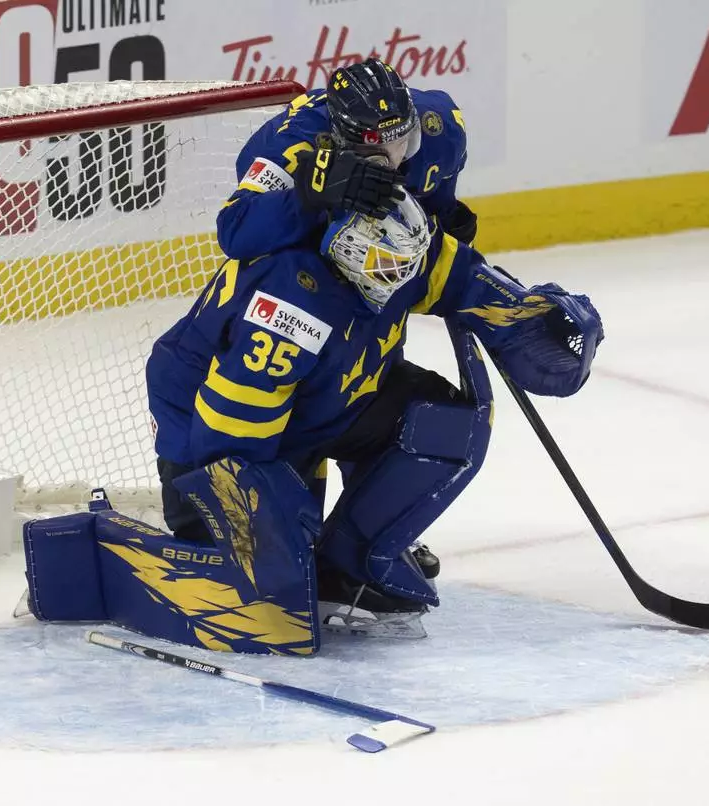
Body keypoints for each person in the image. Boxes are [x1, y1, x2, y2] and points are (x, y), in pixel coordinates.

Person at [147, 193, 603, 637]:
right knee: (265, 584)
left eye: (408, 262)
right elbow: (230, 435)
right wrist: (263, 534)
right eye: (391, 264)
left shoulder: (385, 253)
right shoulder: (292, 304)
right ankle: (219, 542)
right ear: (350, 248)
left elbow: (458, 277)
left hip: (312, 409)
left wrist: (526, 314)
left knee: (442, 423)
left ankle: (350, 567)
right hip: (207, 436)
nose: (402, 273)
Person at [217, 58, 477, 263]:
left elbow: (438, 202)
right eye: (373, 147)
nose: (390, 160)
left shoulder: (441, 127)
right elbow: (234, 229)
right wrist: (311, 194)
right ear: (340, 137)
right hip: (298, 223)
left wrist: (447, 224)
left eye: (400, 141)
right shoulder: (296, 143)